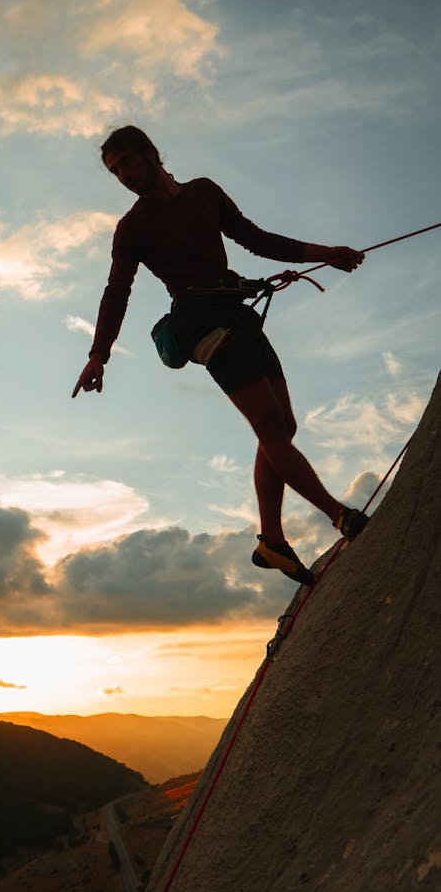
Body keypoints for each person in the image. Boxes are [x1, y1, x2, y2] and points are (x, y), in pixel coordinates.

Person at [72, 125, 368, 585]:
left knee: (282, 428)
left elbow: (256, 238)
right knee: (270, 424)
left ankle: (272, 541)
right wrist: (99, 354)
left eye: (126, 163)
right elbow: (117, 291)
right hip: (200, 323)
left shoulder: (204, 192)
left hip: (237, 310)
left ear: (151, 153)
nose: (123, 176)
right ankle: (339, 515)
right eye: (113, 171)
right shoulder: (132, 228)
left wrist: (323, 253)